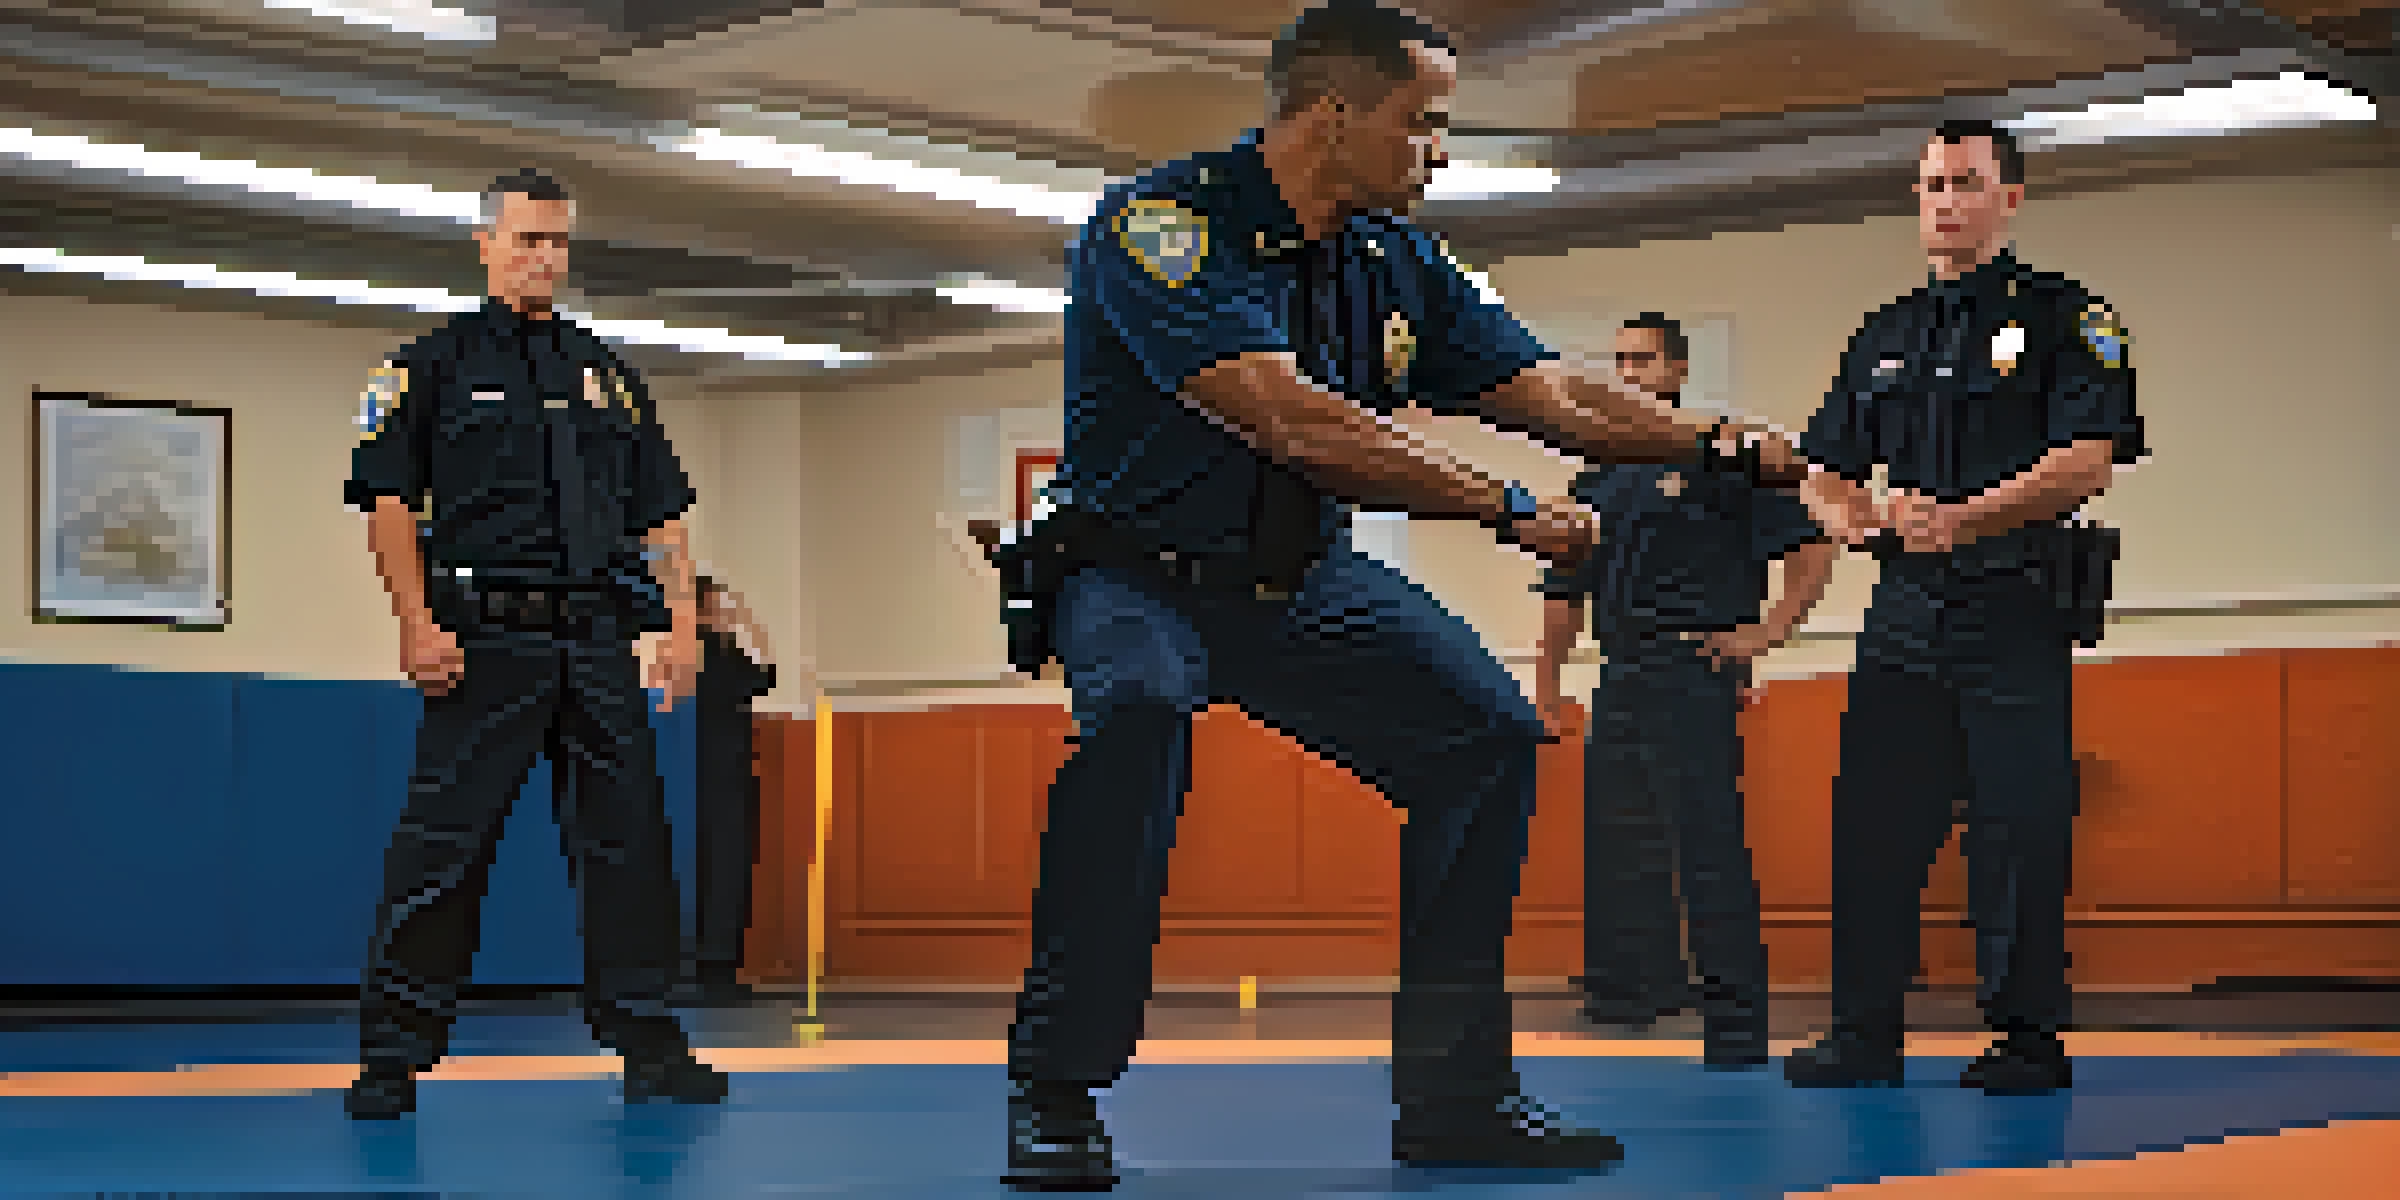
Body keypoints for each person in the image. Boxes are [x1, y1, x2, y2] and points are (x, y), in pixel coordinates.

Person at [997, 2, 1813, 1189]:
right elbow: (1287, 417)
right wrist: (1507, 508)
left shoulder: (1393, 260)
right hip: (1133, 574)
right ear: (1331, 117)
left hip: (1295, 584)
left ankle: (1455, 1098)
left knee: (1484, 739)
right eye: (1422, 126)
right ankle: (1055, 1091)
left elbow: (1551, 394)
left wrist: (1718, 441)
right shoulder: (1167, 226)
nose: (1439, 152)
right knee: (1137, 719)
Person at [341, 168, 727, 1118]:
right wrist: (414, 622)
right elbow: (388, 502)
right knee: (443, 849)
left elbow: (663, 518)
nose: (543, 257)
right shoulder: (428, 366)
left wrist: (680, 629)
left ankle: (649, 1039)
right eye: (526, 240)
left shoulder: (610, 377)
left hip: (597, 641)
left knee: (631, 848)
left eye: (556, 242)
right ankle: (393, 1052)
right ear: (485, 244)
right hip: (484, 642)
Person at [1783, 119, 2144, 1093]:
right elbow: (1823, 468)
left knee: (2019, 826)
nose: (1945, 201)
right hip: (1904, 611)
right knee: (1873, 823)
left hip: (2014, 602)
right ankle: (1863, 1034)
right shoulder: (1886, 332)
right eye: (1931, 184)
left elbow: (2086, 460)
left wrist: (1967, 519)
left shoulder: (2071, 317)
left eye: (1967, 183)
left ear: (2010, 198)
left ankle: (2027, 1039)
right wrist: (1851, 515)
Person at [1531, 313, 1836, 1068]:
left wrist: (1767, 634)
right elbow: (1563, 588)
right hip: (1621, 672)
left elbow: (1812, 545)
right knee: (1617, 841)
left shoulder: (1726, 465)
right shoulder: (1596, 474)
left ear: (1676, 372)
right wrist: (1545, 685)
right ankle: (1627, 995)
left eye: (1643, 362)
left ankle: (1735, 1022)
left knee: (1706, 845)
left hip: (1693, 667)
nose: (1629, 374)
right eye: (1620, 362)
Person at [687, 574, 777, 1006]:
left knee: (724, 866)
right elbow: (766, 672)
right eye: (716, 607)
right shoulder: (694, 655)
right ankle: (710, 968)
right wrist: (741, 619)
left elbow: (766, 675)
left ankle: (716, 967)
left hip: (720, 773)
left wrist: (742, 621)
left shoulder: (722, 653)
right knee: (716, 866)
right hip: (705, 775)